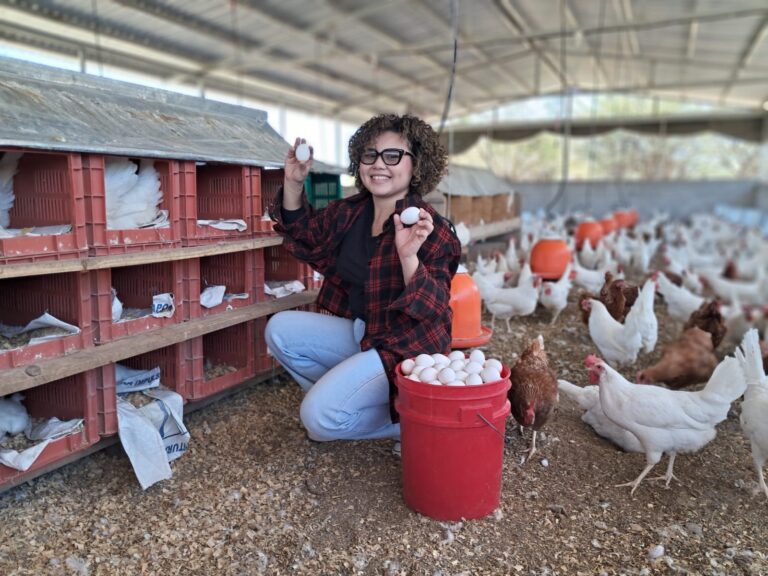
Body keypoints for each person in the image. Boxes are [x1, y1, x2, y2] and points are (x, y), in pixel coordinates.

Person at [264, 113, 461, 442]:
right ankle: (347, 403)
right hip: (364, 332)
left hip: (405, 349)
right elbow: (303, 230)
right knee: (279, 330)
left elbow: (433, 307)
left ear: (417, 165)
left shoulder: (431, 228)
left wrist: (408, 255)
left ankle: (403, 422)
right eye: (370, 154)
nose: (378, 164)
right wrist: (294, 182)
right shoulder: (350, 212)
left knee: (317, 420)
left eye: (393, 155)